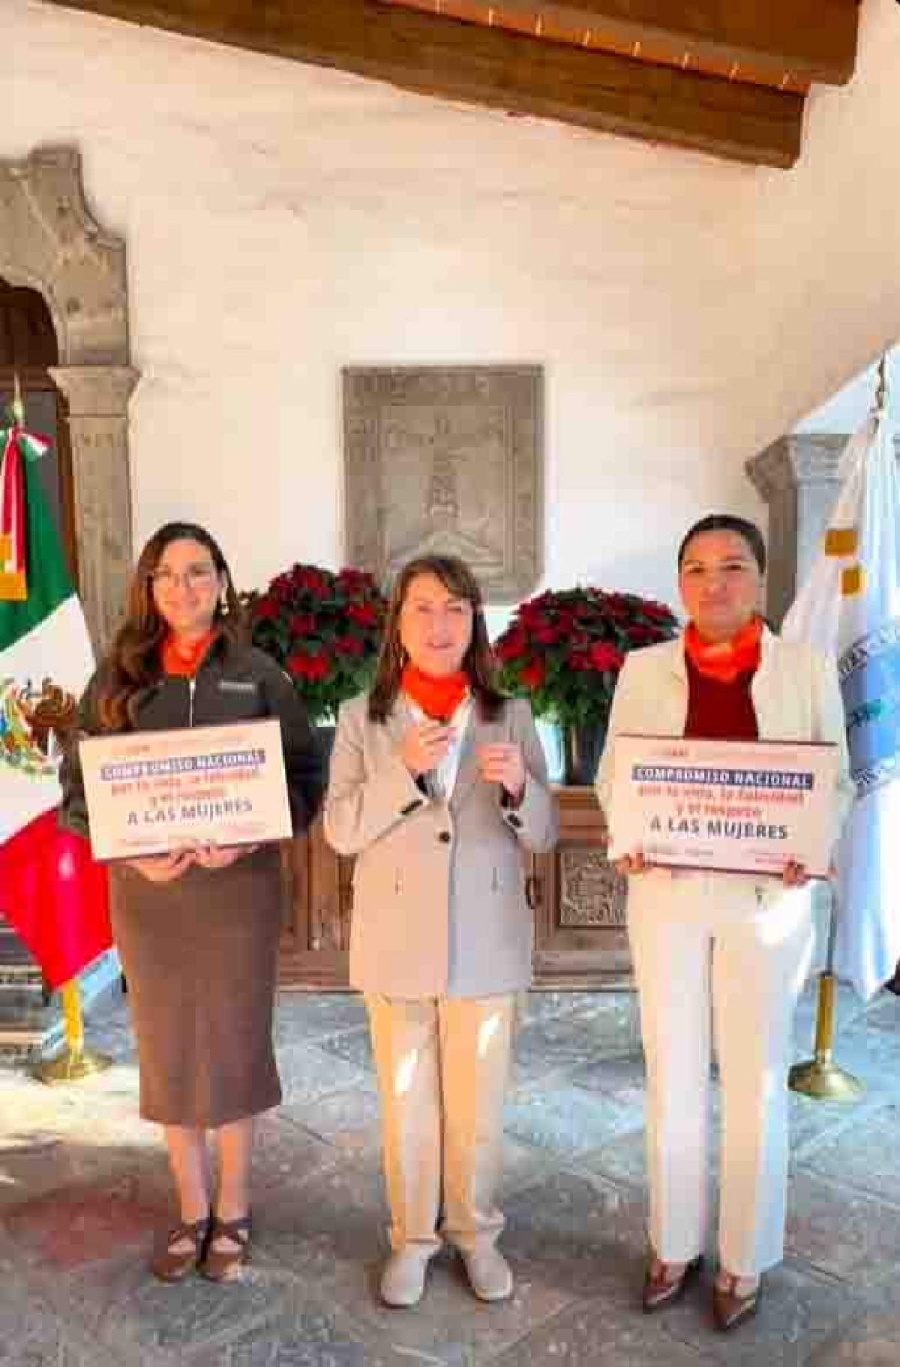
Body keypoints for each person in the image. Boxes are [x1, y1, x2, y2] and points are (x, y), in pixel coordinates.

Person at [595, 513, 852, 1332]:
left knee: (754, 1077)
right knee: (670, 1069)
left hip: (764, 904)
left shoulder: (805, 669)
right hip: (667, 895)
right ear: (680, 583)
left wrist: (805, 844)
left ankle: (746, 1255)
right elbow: (613, 776)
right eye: (697, 568)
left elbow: (835, 780)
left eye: (732, 566)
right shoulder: (642, 669)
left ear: (761, 579)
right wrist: (627, 836)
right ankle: (672, 1241)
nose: (715, 583)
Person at [60, 521, 323, 1283]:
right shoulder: (117, 677)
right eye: (167, 574)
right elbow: (77, 793)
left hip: (237, 891)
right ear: (149, 586)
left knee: (236, 1042)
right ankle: (190, 1208)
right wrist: (132, 850)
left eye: (198, 572)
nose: (184, 588)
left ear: (221, 581)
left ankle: (234, 1208)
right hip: (148, 896)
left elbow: (303, 778)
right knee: (168, 1046)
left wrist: (252, 836)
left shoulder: (260, 673)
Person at [323, 554, 558, 1308]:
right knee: (406, 1102)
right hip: (395, 938)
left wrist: (520, 786)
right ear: (398, 623)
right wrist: (400, 772)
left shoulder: (510, 713)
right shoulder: (364, 717)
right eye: (422, 607)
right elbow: (338, 829)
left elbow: (547, 831)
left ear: (474, 623)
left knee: (480, 1106)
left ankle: (477, 1233)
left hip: (486, 937)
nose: (439, 623)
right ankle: (412, 1240)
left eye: (455, 607)